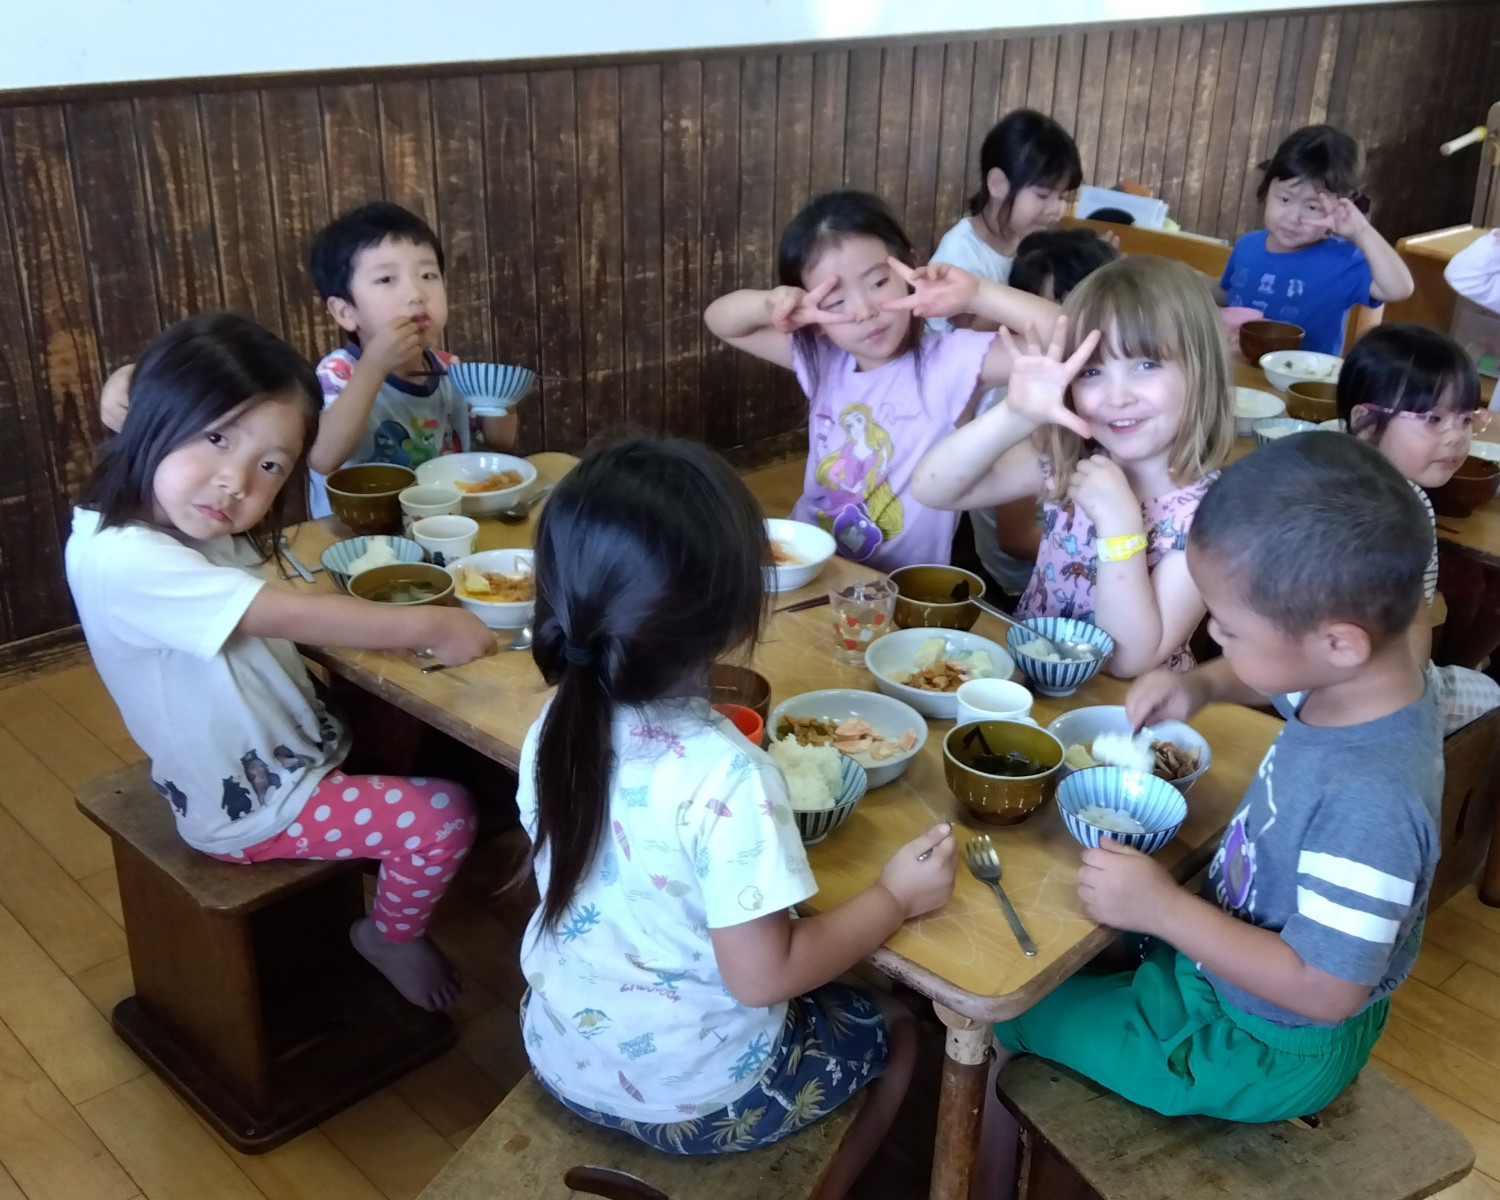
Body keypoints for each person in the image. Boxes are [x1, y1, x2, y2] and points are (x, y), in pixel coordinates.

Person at [514, 436, 956, 1193]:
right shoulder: (727, 772)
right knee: (897, 1028)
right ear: (732, 617)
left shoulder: (557, 720)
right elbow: (763, 978)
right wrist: (894, 897)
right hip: (700, 1091)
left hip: (560, 1046)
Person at [995, 431, 1441, 1124]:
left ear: (1337, 641)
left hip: (1259, 1040)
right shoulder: (1363, 681)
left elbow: (1326, 988)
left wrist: (1164, 911)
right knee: (1070, 931)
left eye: (1227, 633)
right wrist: (1202, 686)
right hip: (1225, 975)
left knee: (1015, 1007)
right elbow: (1282, 672)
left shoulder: (1371, 800)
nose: (1217, 644)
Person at [67, 312, 497, 1011]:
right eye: (216, 438)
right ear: (154, 418)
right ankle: (388, 935)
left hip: (288, 750)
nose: (233, 482)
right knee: (444, 814)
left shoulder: (163, 506)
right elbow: (290, 614)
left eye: (269, 466)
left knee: (408, 712)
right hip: (255, 808)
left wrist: (130, 386)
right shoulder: (126, 559)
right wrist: (428, 622)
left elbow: (140, 403)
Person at [910, 255, 1236, 677]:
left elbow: (1127, 661)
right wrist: (1016, 414)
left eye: (1147, 365)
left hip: (1121, 719)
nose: (1117, 397)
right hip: (1030, 686)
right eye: (1093, 371)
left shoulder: (1212, 518)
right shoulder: (1069, 457)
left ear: (1202, 370)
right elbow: (932, 490)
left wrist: (1121, 528)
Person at [704, 190, 1059, 573]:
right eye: (834, 302)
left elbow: (1070, 339)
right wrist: (769, 304)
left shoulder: (954, 360)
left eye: (877, 283)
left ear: (912, 266)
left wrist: (976, 293)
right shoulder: (823, 357)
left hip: (897, 587)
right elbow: (720, 320)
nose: (863, 312)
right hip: (809, 563)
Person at [305, 201, 519, 517]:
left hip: (444, 525)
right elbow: (323, 458)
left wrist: (502, 396)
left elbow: (501, 442)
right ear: (345, 312)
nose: (416, 293)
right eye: (386, 280)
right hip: (360, 535)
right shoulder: (338, 372)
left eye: (428, 275)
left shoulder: (450, 369)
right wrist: (375, 366)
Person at [1336, 323, 1500, 726]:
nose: (1455, 438)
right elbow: (1413, 645)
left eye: (1464, 420)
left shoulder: (1327, 472)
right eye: (1433, 419)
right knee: (1492, 694)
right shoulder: (1407, 507)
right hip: (1375, 697)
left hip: (1299, 677)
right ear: (1365, 421)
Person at [957, 227, 1122, 606]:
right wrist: (1117, 559)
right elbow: (1014, 540)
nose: (1084, 333)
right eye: (1060, 312)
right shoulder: (1027, 403)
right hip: (1029, 584)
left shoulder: (1089, 388)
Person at [1217, 125, 1413, 356]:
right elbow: (1229, 292)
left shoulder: (1343, 260)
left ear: (1342, 206)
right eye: (1285, 199)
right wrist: (1189, 279)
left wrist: (1360, 231)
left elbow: (1400, 289)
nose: (1293, 218)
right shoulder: (1247, 246)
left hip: (1302, 386)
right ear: (1266, 190)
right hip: (1240, 377)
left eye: (1312, 207)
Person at [927, 108, 1082, 333]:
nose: (1056, 209)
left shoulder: (1028, 241)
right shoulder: (960, 254)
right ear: (998, 184)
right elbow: (966, 337)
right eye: (1043, 195)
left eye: (1061, 196)